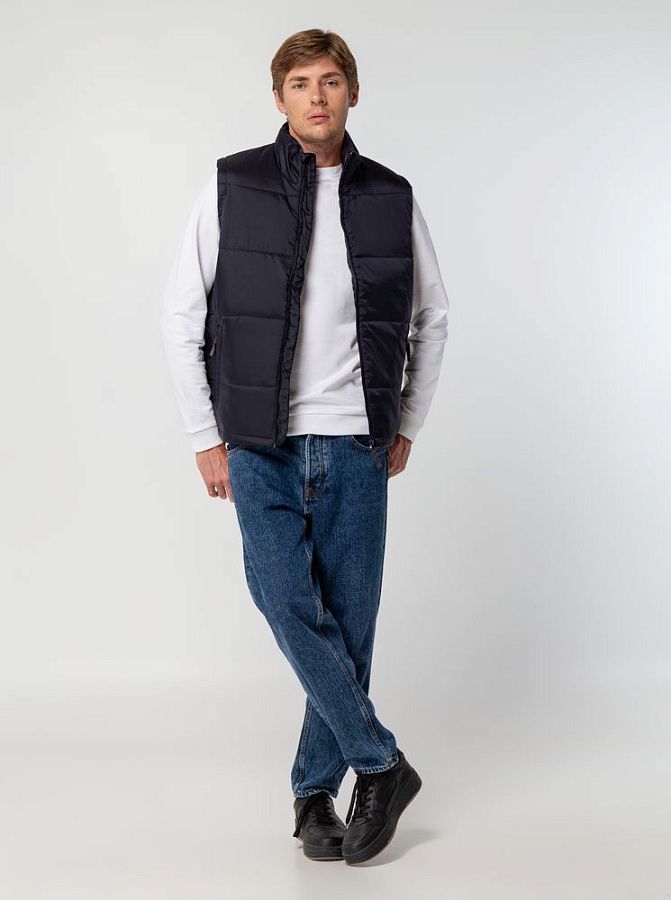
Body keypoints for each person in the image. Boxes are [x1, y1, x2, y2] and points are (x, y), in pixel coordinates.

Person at [162, 28, 449, 865]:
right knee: (286, 601)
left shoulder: (390, 195)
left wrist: (405, 421)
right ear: (278, 97)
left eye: (329, 81)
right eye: (299, 82)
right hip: (260, 443)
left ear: (351, 93)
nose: (316, 96)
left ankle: (314, 792)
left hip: (356, 441)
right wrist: (204, 436)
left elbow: (432, 316)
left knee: (348, 626)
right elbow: (181, 316)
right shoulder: (234, 185)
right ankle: (380, 762)